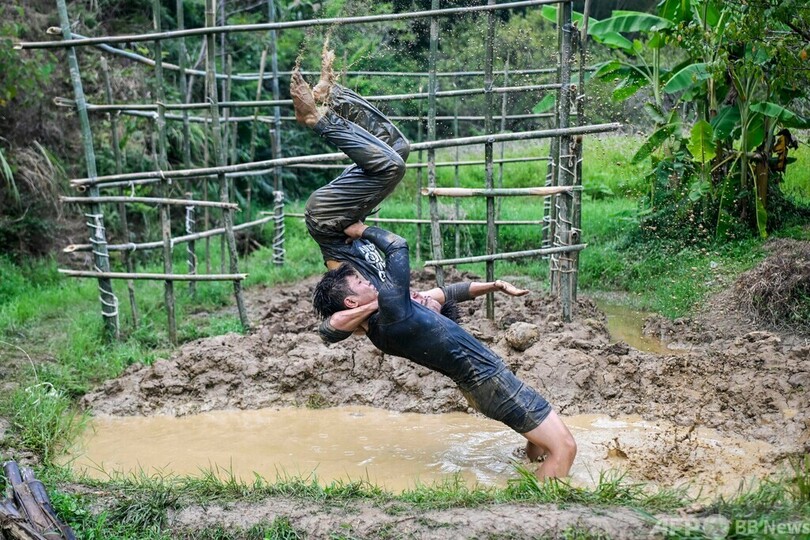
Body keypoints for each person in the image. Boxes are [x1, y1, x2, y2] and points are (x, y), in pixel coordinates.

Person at [312, 222, 578, 480]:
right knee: (565, 447)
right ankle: (537, 509)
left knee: (541, 444)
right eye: (360, 283)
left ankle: (530, 474)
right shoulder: (391, 308)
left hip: (479, 384)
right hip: (488, 379)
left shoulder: (383, 320)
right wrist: (361, 230)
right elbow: (397, 246)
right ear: (351, 301)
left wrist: (494, 286)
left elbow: (446, 292)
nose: (369, 282)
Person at [291, 46, 410, 303]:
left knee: (392, 168)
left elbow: (333, 325)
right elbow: (445, 294)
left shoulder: (381, 314)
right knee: (398, 148)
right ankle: (331, 94)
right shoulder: (408, 301)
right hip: (347, 214)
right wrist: (494, 284)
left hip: (329, 221)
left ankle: (315, 119)